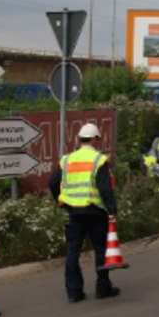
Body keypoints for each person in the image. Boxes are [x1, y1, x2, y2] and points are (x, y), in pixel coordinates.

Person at [49, 123, 120, 303]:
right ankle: (102, 288)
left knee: (73, 252)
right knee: (101, 250)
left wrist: (60, 200)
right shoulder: (98, 159)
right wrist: (112, 210)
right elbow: (105, 189)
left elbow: (53, 182)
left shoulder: (67, 159)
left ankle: (74, 292)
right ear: (95, 139)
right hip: (95, 212)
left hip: (74, 213)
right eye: (99, 139)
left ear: (79, 139)